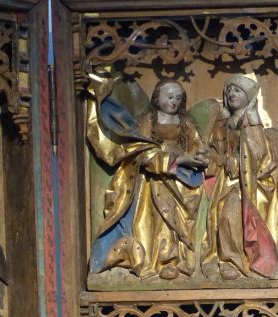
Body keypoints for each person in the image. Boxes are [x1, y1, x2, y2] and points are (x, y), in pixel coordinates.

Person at [87, 77, 208, 280]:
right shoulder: (149, 120)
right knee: (158, 218)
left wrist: (200, 155)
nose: (174, 102)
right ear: (157, 98)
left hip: (182, 177)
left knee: (178, 219)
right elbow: (141, 149)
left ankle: (176, 259)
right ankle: (162, 261)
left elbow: (196, 145)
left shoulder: (185, 122)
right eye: (170, 97)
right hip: (153, 179)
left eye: (178, 98)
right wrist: (174, 159)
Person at [201, 74, 278, 281]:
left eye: (237, 90)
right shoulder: (223, 123)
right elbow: (216, 150)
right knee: (225, 218)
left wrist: (235, 162)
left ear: (248, 96)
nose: (232, 94)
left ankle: (244, 258)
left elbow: (259, 156)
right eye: (229, 90)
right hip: (229, 180)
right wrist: (212, 158)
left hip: (253, 183)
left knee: (234, 217)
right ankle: (229, 260)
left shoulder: (252, 122)